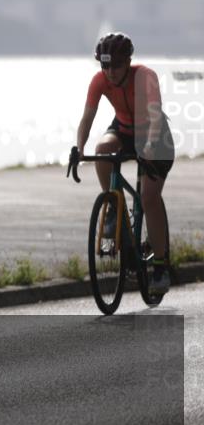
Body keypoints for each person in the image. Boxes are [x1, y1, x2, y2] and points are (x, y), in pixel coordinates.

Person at [75, 32, 175, 293]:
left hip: (156, 136)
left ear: (128, 62)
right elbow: (87, 119)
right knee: (103, 148)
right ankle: (113, 205)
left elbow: (154, 119)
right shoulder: (99, 81)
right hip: (124, 129)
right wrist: (79, 148)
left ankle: (161, 267)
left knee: (148, 198)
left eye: (115, 65)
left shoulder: (145, 77)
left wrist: (151, 147)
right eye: (104, 65)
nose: (109, 71)